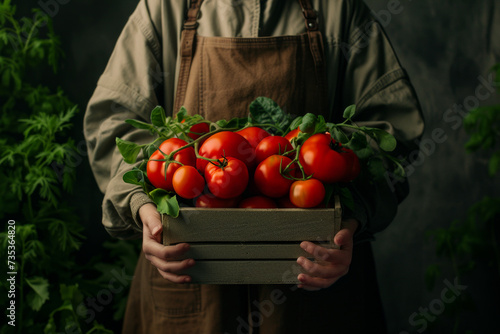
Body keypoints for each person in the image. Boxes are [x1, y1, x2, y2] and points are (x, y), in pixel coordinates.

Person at [84, 0, 424, 333]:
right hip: (190, 295)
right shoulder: (164, 8)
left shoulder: (340, 9)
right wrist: (141, 204)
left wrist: (351, 215)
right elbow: (112, 126)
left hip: (316, 293)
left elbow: (394, 130)